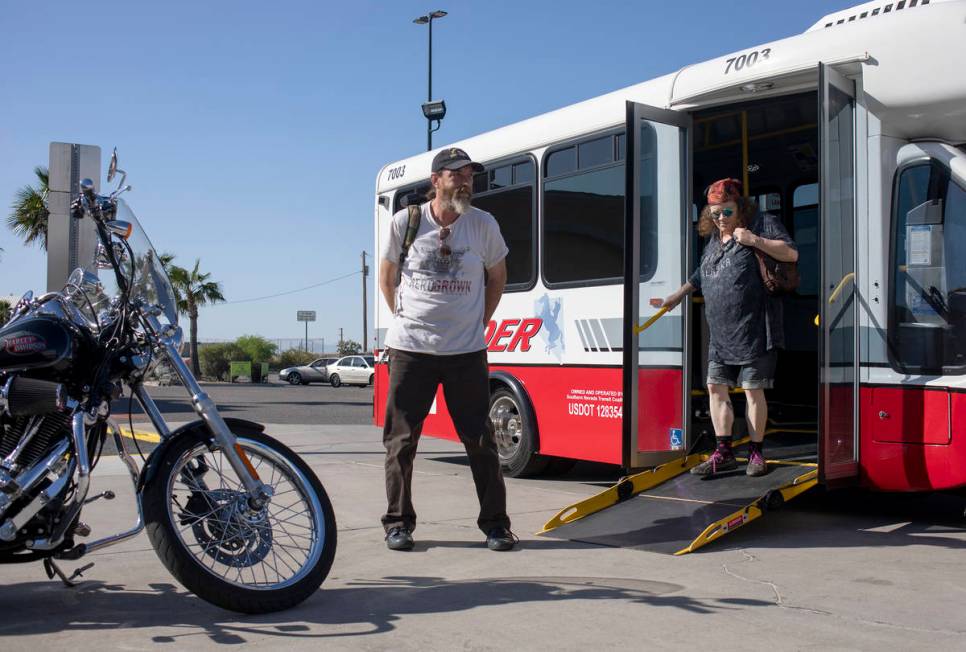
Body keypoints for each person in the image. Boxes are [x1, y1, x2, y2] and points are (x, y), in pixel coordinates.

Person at [378, 147, 515, 551]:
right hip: (411, 350)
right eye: (456, 174)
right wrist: (407, 321)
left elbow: (497, 279)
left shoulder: (483, 225)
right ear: (435, 180)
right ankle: (397, 523)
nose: (465, 181)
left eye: (469, 174)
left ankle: (496, 525)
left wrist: (479, 322)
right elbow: (387, 279)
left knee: (481, 440)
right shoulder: (407, 221)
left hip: (465, 352)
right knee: (401, 441)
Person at [660, 178, 798, 477]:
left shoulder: (761, 225)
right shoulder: (714, 241)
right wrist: (676, 296)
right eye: (714, 213)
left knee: (752, 390)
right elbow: (700, 275)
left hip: (755, 330)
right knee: (715, 388)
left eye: (726, 212)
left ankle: (756, 454)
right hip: (721, 333)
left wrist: (755, 241)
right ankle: (723, 452)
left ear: (741, 209)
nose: (719, 219)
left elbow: (791, 253)